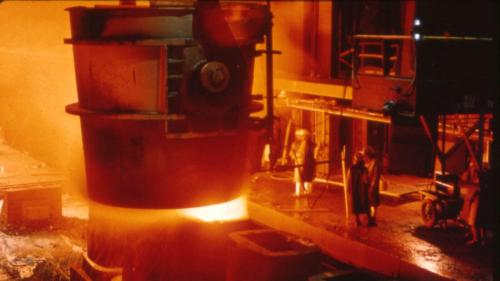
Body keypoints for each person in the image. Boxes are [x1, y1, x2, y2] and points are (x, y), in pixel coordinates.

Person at [289, 128, 315, 196]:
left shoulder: (310, 144)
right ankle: (298, 192)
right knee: (298, 177)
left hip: (307, 162)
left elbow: (312, 152)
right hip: (299, 162)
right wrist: (294, 156)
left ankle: (307, 191)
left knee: (307, 177)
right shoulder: (295, 143)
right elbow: (292, 152)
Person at [348, 151, 369, 226]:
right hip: (361, 189)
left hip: (356, 189)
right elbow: (366, 180)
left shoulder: (353, 168)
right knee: (361, 203)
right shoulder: (364, 168)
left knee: (357, 204)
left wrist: (349, 189)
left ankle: (358, 220)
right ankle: (363, 219)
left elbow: (349, 179)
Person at [364, 146, 380, 226]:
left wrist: (372, 187)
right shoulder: (370, 163)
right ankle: (371, 218)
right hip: (370, 186)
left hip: (372, 187)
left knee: (373, 204)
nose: (364, 158)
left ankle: (372, 219)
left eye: (365, 156)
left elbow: (375, 177)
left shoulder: (375, 163)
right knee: (371, 204)